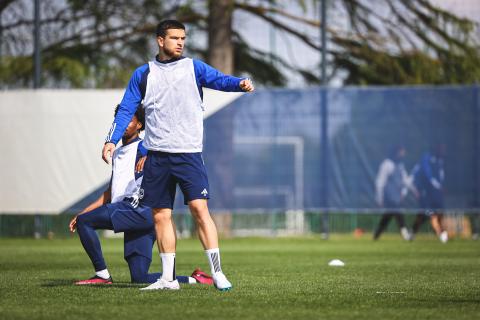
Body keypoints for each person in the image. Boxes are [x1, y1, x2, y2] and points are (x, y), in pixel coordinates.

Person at [102, 20, 254, 291]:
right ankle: (168, 279)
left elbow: (219, 80)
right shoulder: (144, 74)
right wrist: (111, 141)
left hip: (189, 154)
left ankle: (217, 272)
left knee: (199, 209)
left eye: (183, 37)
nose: (181, 42)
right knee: (161, 215)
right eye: (174, 38)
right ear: (160, 41)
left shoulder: (193, 67)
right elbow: (126, 108)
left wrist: (239, 84)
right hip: (157, 156)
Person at [70, 105, 213, 285]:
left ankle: (102, 276)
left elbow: (166, 150)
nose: (123, 125)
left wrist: (152, 156)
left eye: (129, 120)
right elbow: (110, 193)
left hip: (138, 209)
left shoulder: (145, 146)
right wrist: (83, 213)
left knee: (86, 222)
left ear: (139, 124)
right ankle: (194, 279)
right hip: (135, 216)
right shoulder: (117, 153)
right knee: (139, 278)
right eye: (120, 121)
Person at [373, 145, 417, 240]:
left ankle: (377, 233)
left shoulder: (400, 165)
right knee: (398, 213)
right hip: (389, 197)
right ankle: (405, 233)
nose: (403, 154)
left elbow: (405, 180)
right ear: (396, 152)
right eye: (401, 152)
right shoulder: (387, 164)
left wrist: (414, 190)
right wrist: (379, 198)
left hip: (397, 197)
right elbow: (380, 182)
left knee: (388, 216)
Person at [411, 144, 448, 243]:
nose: (443, 151)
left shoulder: (440, 161)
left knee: (438, 212)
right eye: (441, 149)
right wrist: (438, 186)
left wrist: (440, 187)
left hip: (436, 193)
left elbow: (440, 176)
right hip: (426, 192)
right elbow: (429, 176)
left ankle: (442, 233)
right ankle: (413, 232)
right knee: (425, 214)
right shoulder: (426, 158)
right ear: (436, 149)